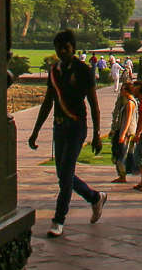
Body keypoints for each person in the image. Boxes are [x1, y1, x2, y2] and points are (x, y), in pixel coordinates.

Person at [28, 30, 106, 238]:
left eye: (66, 48)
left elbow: (94, 103)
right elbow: (47, 103)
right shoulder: (55, 71)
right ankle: (94, 197)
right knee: (64, 174)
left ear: (73, 48)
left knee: (64, 177)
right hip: (60, 126)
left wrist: (97, 133)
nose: (62, 51)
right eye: (59, 48)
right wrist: (35, 131)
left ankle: (58, 221)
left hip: (76, 126)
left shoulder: (83, 70)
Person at [109, 83, 137, 183]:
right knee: (124, 153)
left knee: (121, 153)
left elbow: (127, 119)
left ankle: (122, 175)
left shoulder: (130, 103)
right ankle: (122, 174)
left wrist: (122, 134)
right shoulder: (131, 101)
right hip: (129, 130)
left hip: (127, 132)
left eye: (123, 89)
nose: (122, 91)